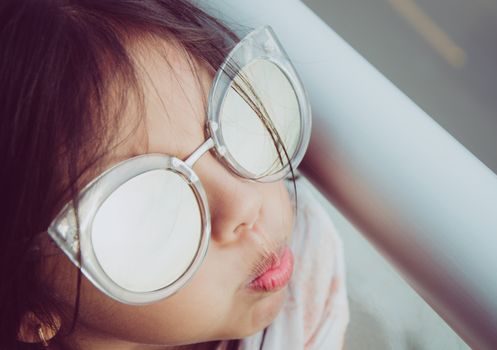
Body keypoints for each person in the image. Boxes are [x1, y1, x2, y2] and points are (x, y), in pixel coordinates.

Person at [0, 1, 349, 349]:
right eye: (154, 205)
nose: (246, 202)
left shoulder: (307, 271)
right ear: (36, 311)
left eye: (234, 119)